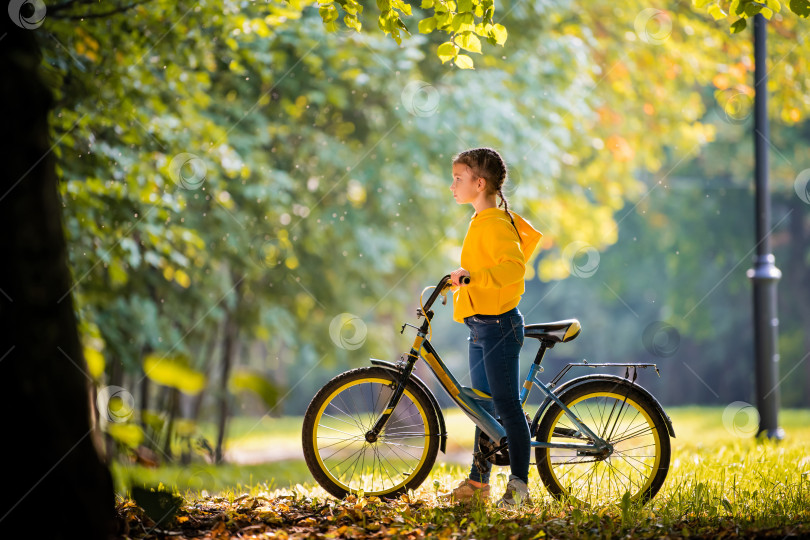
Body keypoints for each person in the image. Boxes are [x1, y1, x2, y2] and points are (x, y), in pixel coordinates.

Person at [445, 147, 543, 508]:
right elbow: (483, 274)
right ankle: (478, 482)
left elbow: (512, 269)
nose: (452, 185)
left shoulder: (497, 223)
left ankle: (519, 486)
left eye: (458, 178)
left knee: (505, 405)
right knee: (484, 409)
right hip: (481, 326)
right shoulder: (480, 220)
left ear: (480, 182)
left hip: (499, 326)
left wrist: (474, 276)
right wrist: (463, 282)